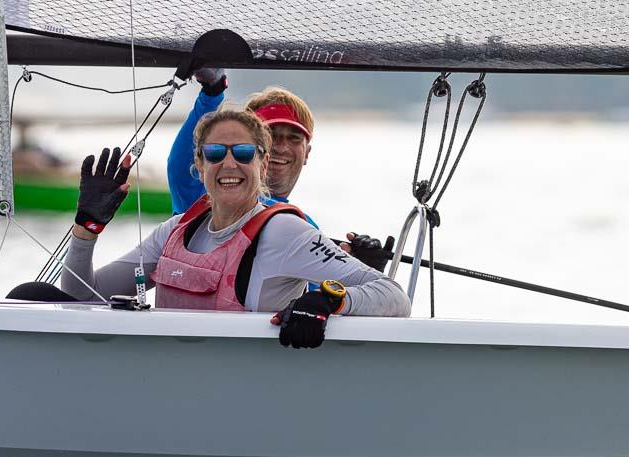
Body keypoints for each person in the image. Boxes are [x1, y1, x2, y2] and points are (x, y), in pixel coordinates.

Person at [52, 108, 410, 348]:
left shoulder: (285, 232)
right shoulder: (176, 230)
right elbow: (83, 295)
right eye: (214, 153)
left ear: (262, 161)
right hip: (173, 380)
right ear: (198, 162)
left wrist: (329, 301)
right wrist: (87, 228)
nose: (228, 163)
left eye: (242, 152)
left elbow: (395, 296)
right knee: (36, 292)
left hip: (240, 393)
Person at [167, 70, 393, 273]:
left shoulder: (304, 226)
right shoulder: (214, 198)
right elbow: (180, 168)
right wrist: (212, 90)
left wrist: (363, 270)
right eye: (271, 135)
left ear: (307, 153)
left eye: (294, 138)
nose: (282, 147)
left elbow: (323, 299)